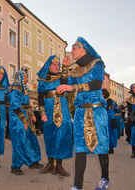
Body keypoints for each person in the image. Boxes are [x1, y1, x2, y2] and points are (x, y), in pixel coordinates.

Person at [56, 37, 110, 190]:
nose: (71, 51)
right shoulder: (76, 69)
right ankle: (77, 186)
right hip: (80, 112)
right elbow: (63, 86)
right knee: (79, 148)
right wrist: (65, 69)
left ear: (83, 49)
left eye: (74, 48)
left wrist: (73, 88)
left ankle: (105, 179)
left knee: (101, 146)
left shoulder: (97, 63)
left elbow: (96, 84)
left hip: (96, 111)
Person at [37, 55, 73, 177]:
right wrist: (42, 113)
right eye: (54, 64)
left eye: (58, 65)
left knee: (62, 136)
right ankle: (50, 163)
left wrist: (66, 67)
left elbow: (65, 84)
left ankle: (59, 166)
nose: (57, 67)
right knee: (49, 136)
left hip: (62, 109)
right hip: (48, 109)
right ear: (49, 66)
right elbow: (39, 98)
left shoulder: (62, 77)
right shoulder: (42, 79)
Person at [8, 68, 43, 175]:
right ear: (19, 78)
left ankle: (33, 161)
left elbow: (27, 106)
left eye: (27, 77)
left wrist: (32, 115)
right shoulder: (14, 91)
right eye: (25, 77)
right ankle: (16, 166)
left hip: (26, 115)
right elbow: (15, 107)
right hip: (17, 118)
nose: (27, 79)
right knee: (20, 141)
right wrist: (24, 121)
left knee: (31, 140)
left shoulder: (25, 89)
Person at [102, 89, 117, 154]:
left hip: (109, 119)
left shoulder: (108, 100)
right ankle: (108, 147)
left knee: (110, 133)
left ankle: (111, 148)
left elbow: (105, 108)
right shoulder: (107, 100)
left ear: (104, 94)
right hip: (109, 118)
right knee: (107, 133)